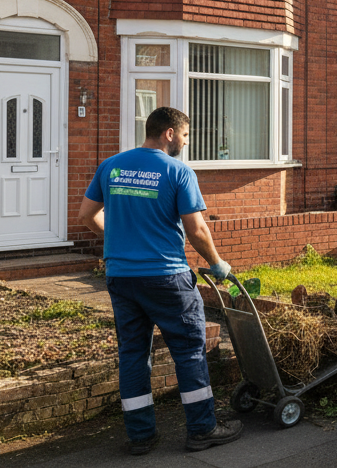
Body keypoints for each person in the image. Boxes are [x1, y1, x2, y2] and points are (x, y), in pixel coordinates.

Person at [79, 106, 243, 455]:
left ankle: (140, 436)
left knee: (133, 355)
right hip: (166, 277)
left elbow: (86, 215)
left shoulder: (111, 166)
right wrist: (217, 263)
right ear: (169, 133)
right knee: (189, 351)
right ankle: (202, 429)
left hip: (121, 278)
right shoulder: (177, 171)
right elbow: (196, 228)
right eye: (185, 135)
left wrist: (116, 242)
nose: (185, 141)